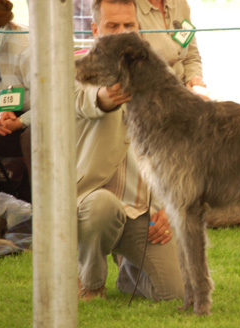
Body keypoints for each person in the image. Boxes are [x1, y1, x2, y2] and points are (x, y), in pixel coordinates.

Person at [75, 0, 184, 301]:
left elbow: (169, 151)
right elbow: (90, 100)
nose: (123, 33)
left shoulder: (160, 78)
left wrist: (167, 207)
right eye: (113, 26)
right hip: (89, 205)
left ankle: (128, 269)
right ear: (96, 30)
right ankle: (89, 281)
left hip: (140, 211)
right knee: (102, 207)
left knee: (175, 293)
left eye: (129, 26)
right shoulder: (75, 72)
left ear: (139, 29)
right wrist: (110, 95)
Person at [0, 0, 32, 201]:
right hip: (2, 113)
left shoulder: (26, 47)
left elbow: (54, 103)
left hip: (35, 115)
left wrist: (20, 122)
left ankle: (39, 208)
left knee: (33, 138)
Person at [135, 0, 206, 91]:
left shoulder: (181, 4)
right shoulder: (130, 8)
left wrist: (193, 79)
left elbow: (191, 55)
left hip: (184, 93)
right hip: (153, 92)